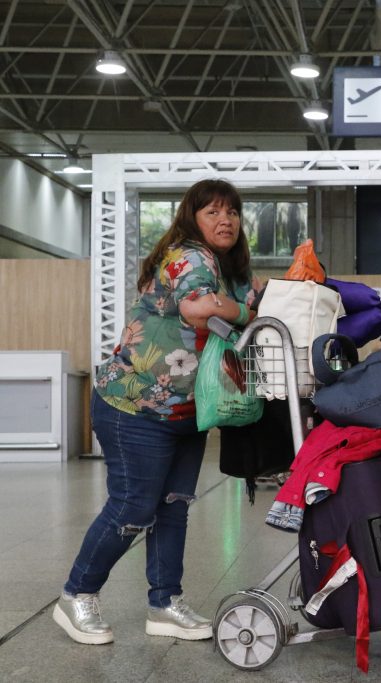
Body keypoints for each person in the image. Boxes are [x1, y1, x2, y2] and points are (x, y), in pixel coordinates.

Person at [54, 179, 258, 645]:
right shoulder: (188, 255)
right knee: (133, 507)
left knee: (174, 508)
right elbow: (199, 309)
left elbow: (253, 299)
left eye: (232, 212)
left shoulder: (231, 269)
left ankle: (165, 602)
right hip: (135, 404)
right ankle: (76, 594)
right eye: (212, 212)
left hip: (188, 409)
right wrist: (245, 310)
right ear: (192, 219)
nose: (225, 220)